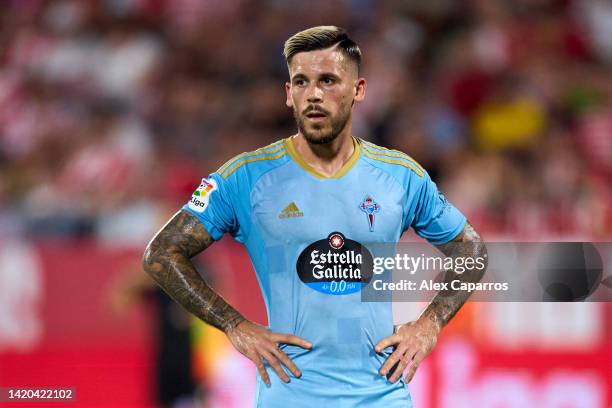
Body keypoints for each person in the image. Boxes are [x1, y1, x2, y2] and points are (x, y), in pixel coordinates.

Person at [143, 26, 487, 407]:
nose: (314, 94)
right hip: (290, 397)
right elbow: (161, 253)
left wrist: (429, 325)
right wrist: (234, 326)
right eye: (301, 82)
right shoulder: (246, 179)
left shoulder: (399, 177)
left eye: (328, 80)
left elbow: (470, 249)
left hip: (381, 396)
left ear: (359, 90)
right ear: (288, 94)